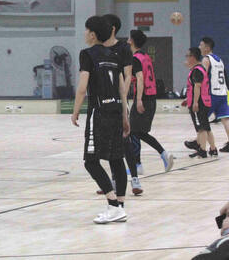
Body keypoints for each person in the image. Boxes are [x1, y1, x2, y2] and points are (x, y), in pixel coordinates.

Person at [71, 16, 130, 224]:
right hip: (116, 110)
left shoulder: (87, 54)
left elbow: (82, 87)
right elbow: (122, 89)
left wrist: (75, 111)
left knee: (90, 161)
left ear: (93, 34)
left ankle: (113, 204)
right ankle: (120, 207)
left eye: (86, 30)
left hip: (99, 112)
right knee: (116, 159)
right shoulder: (114, 55)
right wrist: (125, 115)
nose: (85, 33)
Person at [101, 14, 142, 195]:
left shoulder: (124, 48)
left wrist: (122, 98)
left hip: (119, 100)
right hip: (103, 102)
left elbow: (127, 75)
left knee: (125, 142)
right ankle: (113, 180)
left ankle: (135, 179)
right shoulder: (98, 48)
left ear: (112, 28)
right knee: (109, 144)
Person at [127, 29, 175, 174]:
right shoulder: (145, 56)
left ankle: (140, 164)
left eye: (129, 38)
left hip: (143, 98)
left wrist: (138, 100)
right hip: (151, 98)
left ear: (132, 41)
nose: (127, 40)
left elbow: (140, 79)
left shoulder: (136, 58)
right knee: (138, 132)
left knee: (133, 131)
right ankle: (151, 159)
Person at [185, 47, 216, 158]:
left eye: (187, 56)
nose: (186, 58)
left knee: (201, 128)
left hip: (199, 103)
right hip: (205, 101)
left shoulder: (196, 70)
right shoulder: (201, 69)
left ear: (193, 57)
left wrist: (195, 102)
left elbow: (197, 87)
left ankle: (202, 150)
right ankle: (213, 149)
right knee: (206, 127)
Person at [199, 37, 229, 152]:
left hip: (212, 94)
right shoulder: (219, 60)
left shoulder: (206, 59)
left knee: (202, 119)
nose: (199, 47)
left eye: (201, 45)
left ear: (207, 48)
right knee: (225, 120)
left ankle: (198, 143)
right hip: (223, 93)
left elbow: (202, 77)